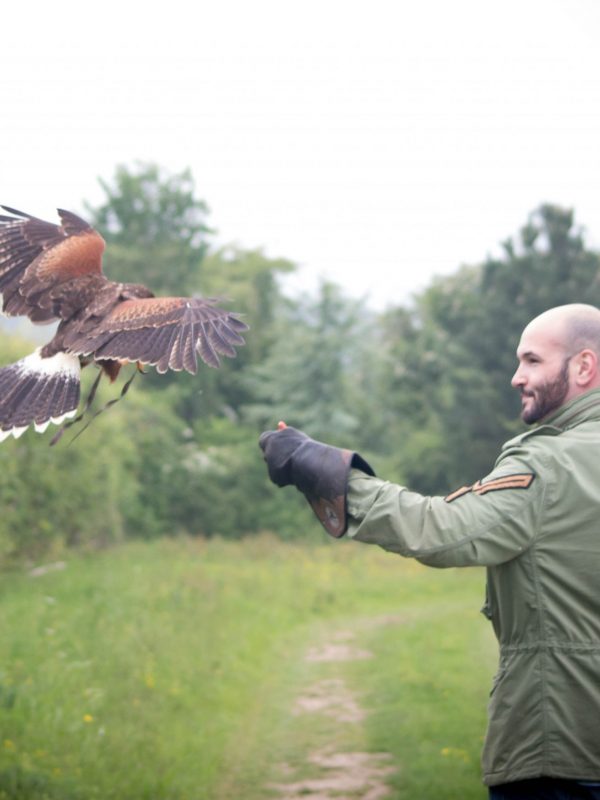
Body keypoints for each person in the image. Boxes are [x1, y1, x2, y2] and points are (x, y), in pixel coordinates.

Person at [259, 303, 600, 800]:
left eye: (531, 361)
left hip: (561, 749)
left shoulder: (550, 463)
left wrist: (327, 472)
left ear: (584, 367)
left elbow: (442, 530)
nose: (515, 377)